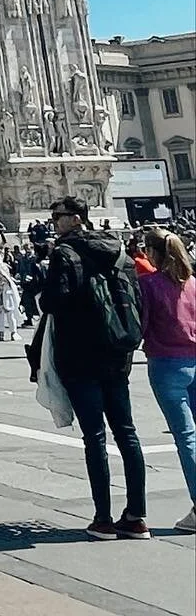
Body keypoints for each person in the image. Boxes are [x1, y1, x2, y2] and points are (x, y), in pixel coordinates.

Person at [40, 196, 147, 539]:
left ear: (75, 219)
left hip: (80, 355)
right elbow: (137, 299)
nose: (54, 222)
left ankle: (103, 519)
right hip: (117, 354)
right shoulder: (117, 250)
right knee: (127, 433)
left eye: (58, 217)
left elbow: (55, 301)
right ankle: (136, 517)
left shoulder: (64, 253)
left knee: (95, 438)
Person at [139, 227, 196, 531]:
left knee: (187, 438)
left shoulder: (148, 285)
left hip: (167, 364)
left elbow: (141, 324)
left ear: (153, 253)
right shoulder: (194, 284)